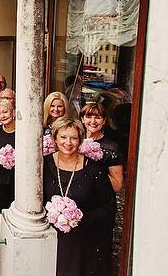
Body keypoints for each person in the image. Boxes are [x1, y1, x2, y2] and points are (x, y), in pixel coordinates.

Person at [43, 118, 116, 276]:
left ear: (80, 140)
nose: (68, 142)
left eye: (74, 138)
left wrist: (80, 218)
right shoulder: (43, 165)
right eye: (63, 137)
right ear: (55, 138)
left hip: (82, 242)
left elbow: (108, 207)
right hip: (49, 239)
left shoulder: (94, 170)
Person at [80, 103, 124, 192]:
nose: (93, 121)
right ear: (82, 119)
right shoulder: (75, 141)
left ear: (104, 121)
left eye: (97, 117)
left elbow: (117, 186)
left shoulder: (111, 148)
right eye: (89, 116)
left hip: (100, 197)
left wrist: (96, 168)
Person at [0, 98, 16, 213]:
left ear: (12, 111)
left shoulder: (22, 130)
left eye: (5, 112)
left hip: (18, 177)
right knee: (3, 207)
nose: (3, 116)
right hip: (1, 177)